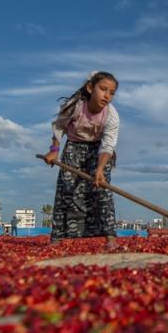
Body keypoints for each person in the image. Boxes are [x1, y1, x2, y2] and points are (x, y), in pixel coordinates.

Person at [40, 71, 120, 243]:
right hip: (74, 147)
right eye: (103, 89)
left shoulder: (111, 116)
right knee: (67, 189)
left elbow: (108, 145)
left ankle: (109, 237)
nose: (107, 96)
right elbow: (60, 127)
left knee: (102, 189)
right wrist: (54, 149)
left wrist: (100, 169)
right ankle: (58, 238)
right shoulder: (75, 105)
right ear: (91, 88)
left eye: (111, 93)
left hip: (99, 151)